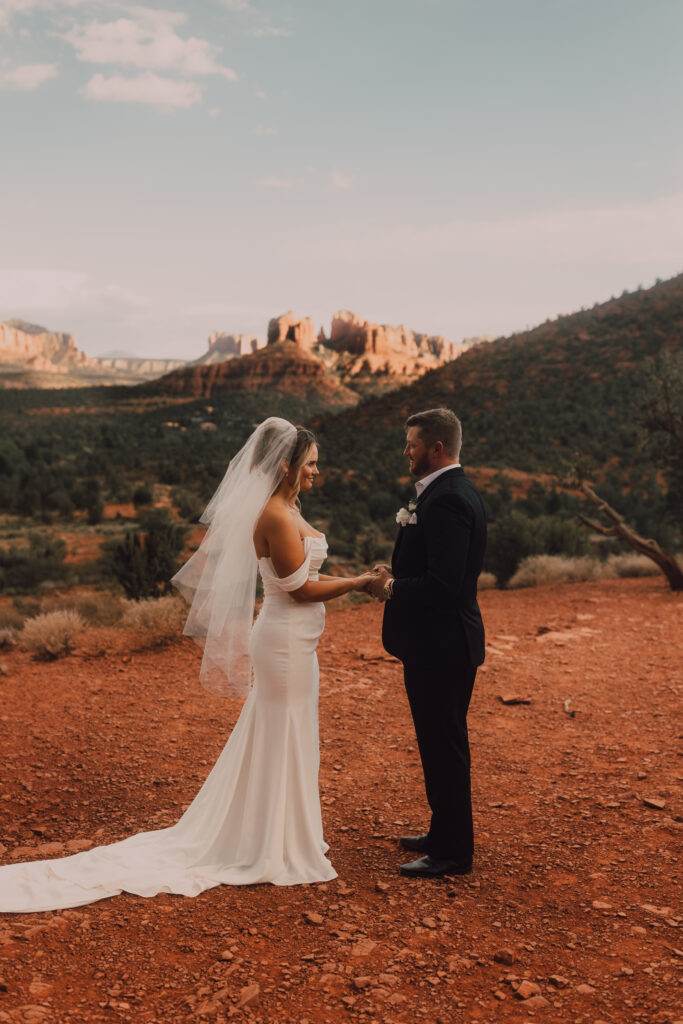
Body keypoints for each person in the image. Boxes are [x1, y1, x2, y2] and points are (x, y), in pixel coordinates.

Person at [0, 417, 374, 913]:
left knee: (287, 731)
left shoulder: (289, 508)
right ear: (285, 465)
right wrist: (359, 583)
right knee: (280, 729)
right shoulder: (277, 517)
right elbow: (299, 589)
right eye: (310, 464)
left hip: (296, 641)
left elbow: (303, 577)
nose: (317, 472)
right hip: (283, 641)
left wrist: (352, 580)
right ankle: (270, 844)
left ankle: (282, 835)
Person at [366, 408, 487, 878]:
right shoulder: (449, 492)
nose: (406, 451)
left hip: (443, 647)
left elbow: (444, 585)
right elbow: (439, 573)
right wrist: (398, 575)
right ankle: (443, 833)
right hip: (439, 644)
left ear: (436, 449)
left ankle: (452, 853)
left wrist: (391, 589)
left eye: (412, 444)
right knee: (437, 744)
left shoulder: (447, 500)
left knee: (445, 746)